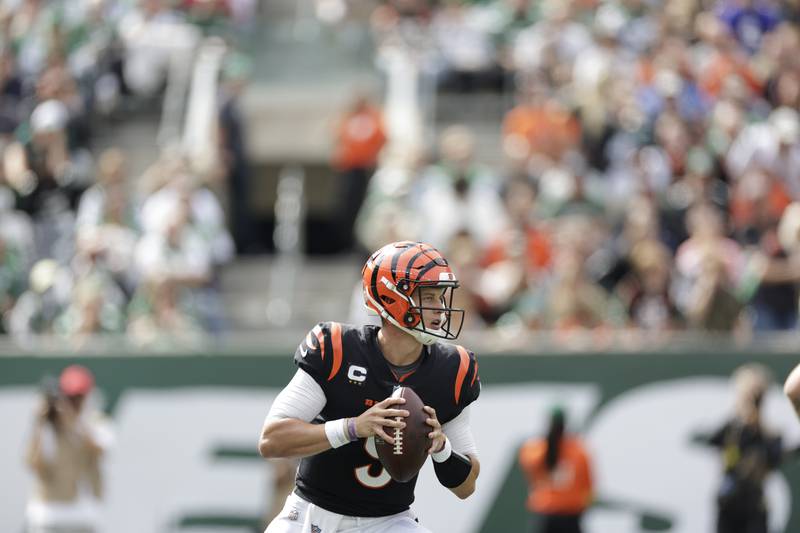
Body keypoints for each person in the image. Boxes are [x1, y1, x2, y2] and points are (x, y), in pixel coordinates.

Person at [259, 241, 481, 533]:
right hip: (313, 515)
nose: (439, 309)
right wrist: (353, 427)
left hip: (390, 522)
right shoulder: (338, 349)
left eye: (441, 298)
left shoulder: (453, 369)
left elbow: (466, 487)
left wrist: (441, 449)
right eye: (428, 297)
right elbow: (271, 440)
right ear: (393, 299)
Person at [25, 365, 114, 533]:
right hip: (49, 514)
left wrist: (72, 422)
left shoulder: (97, 423)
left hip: (83, 514)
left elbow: (99, 449)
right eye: (69, 397)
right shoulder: (48, 426)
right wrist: (40, 423)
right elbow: (33, 464)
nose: (73, 403)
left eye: (78, 397)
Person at [704, 364, 783, 533]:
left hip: (754, 502)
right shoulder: (732, 429)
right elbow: (714, 442)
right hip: (729, 500)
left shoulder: (768, 434)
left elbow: (773, 458)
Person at [518, 407, 593, 533]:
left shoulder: (535, 449)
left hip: (546, 513)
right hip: (570, 515)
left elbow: (529, 469)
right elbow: (588, 487)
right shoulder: (578, 451)